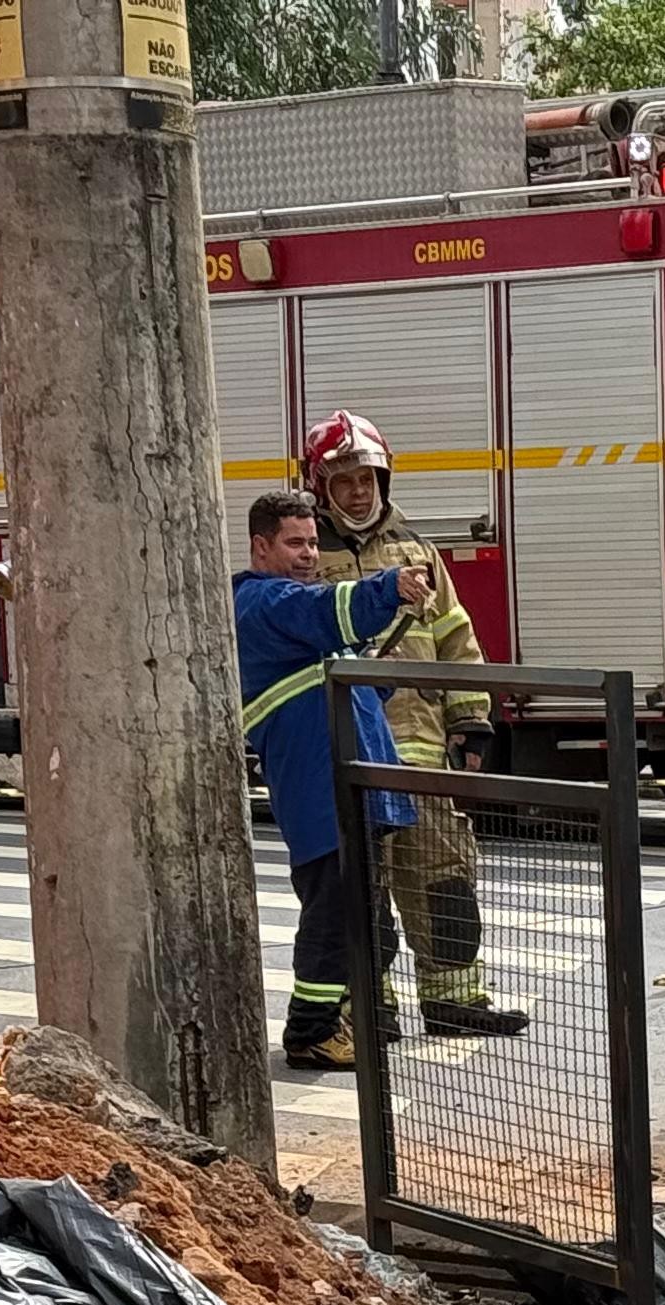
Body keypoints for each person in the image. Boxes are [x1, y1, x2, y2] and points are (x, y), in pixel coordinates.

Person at [302, 409, 508, 1032]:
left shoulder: (418, 549)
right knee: (362, 888)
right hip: (352, 751)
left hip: (420, 751)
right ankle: (371, 1007)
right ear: (321, 487)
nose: (360, 490)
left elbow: (455, 635)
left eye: (369, 477)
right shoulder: (310, 554)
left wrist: (471, 719)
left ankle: (456, 1002)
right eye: (345, 480)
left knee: (443, 878)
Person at [235, 487, 431, 1071]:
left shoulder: (286, 606)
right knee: (337, 914)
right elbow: (327, 612)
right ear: (260, 546)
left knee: (365, 918)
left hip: (343, 783)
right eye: (295, 542)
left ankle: (340, 1022)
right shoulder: (263, 601)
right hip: (321, 786)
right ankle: (312, 1031)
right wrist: (387, 588)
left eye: (313, 542)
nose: (308, 554)